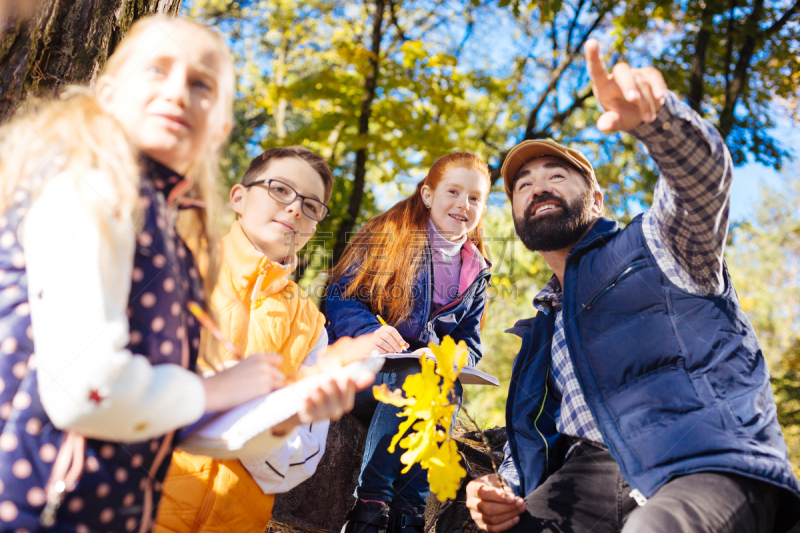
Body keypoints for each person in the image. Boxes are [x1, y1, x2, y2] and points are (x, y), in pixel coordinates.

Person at [0, 16, 369, 533]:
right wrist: (219, 390)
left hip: (132, 511)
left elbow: (181, 426)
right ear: (107, 90)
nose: (177, 91)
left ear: (218, 126)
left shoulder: (169, 242)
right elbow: (83, 390)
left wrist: (285, 414)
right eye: (156, 68)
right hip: (41, 507)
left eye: (202, 85)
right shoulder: (90, 189)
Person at [465, 38, 800, 533]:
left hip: (701, 457)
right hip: (587, 479)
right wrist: (496, 493)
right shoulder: (542, 332)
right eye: (522, 185)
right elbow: (534, 445)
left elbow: (701, 182)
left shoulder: (656, 245)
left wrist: (657, 122)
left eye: (556, 175)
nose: (537, 187)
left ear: (596, 199)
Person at [154, 146, 372, 532]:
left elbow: (300, 461)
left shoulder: (311, 325)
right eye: (280, 189)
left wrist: (281, 422)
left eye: (311, 206)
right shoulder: (177, 264)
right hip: (136, 509)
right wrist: (247, 412)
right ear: (239, 197)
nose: (294, 209)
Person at [326, 152, 492, 533]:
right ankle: (370, 506)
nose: (463, 204)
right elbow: (338, 297)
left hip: (423, 389)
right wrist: (369, 332)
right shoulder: (389, 237)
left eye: (475, 198)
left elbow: (469, 341)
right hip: (365, 375)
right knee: (415, 377)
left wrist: (452, 357)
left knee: (440, 384)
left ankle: (408, 515)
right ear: (428, 195)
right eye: (453, 191)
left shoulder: (477, 270)